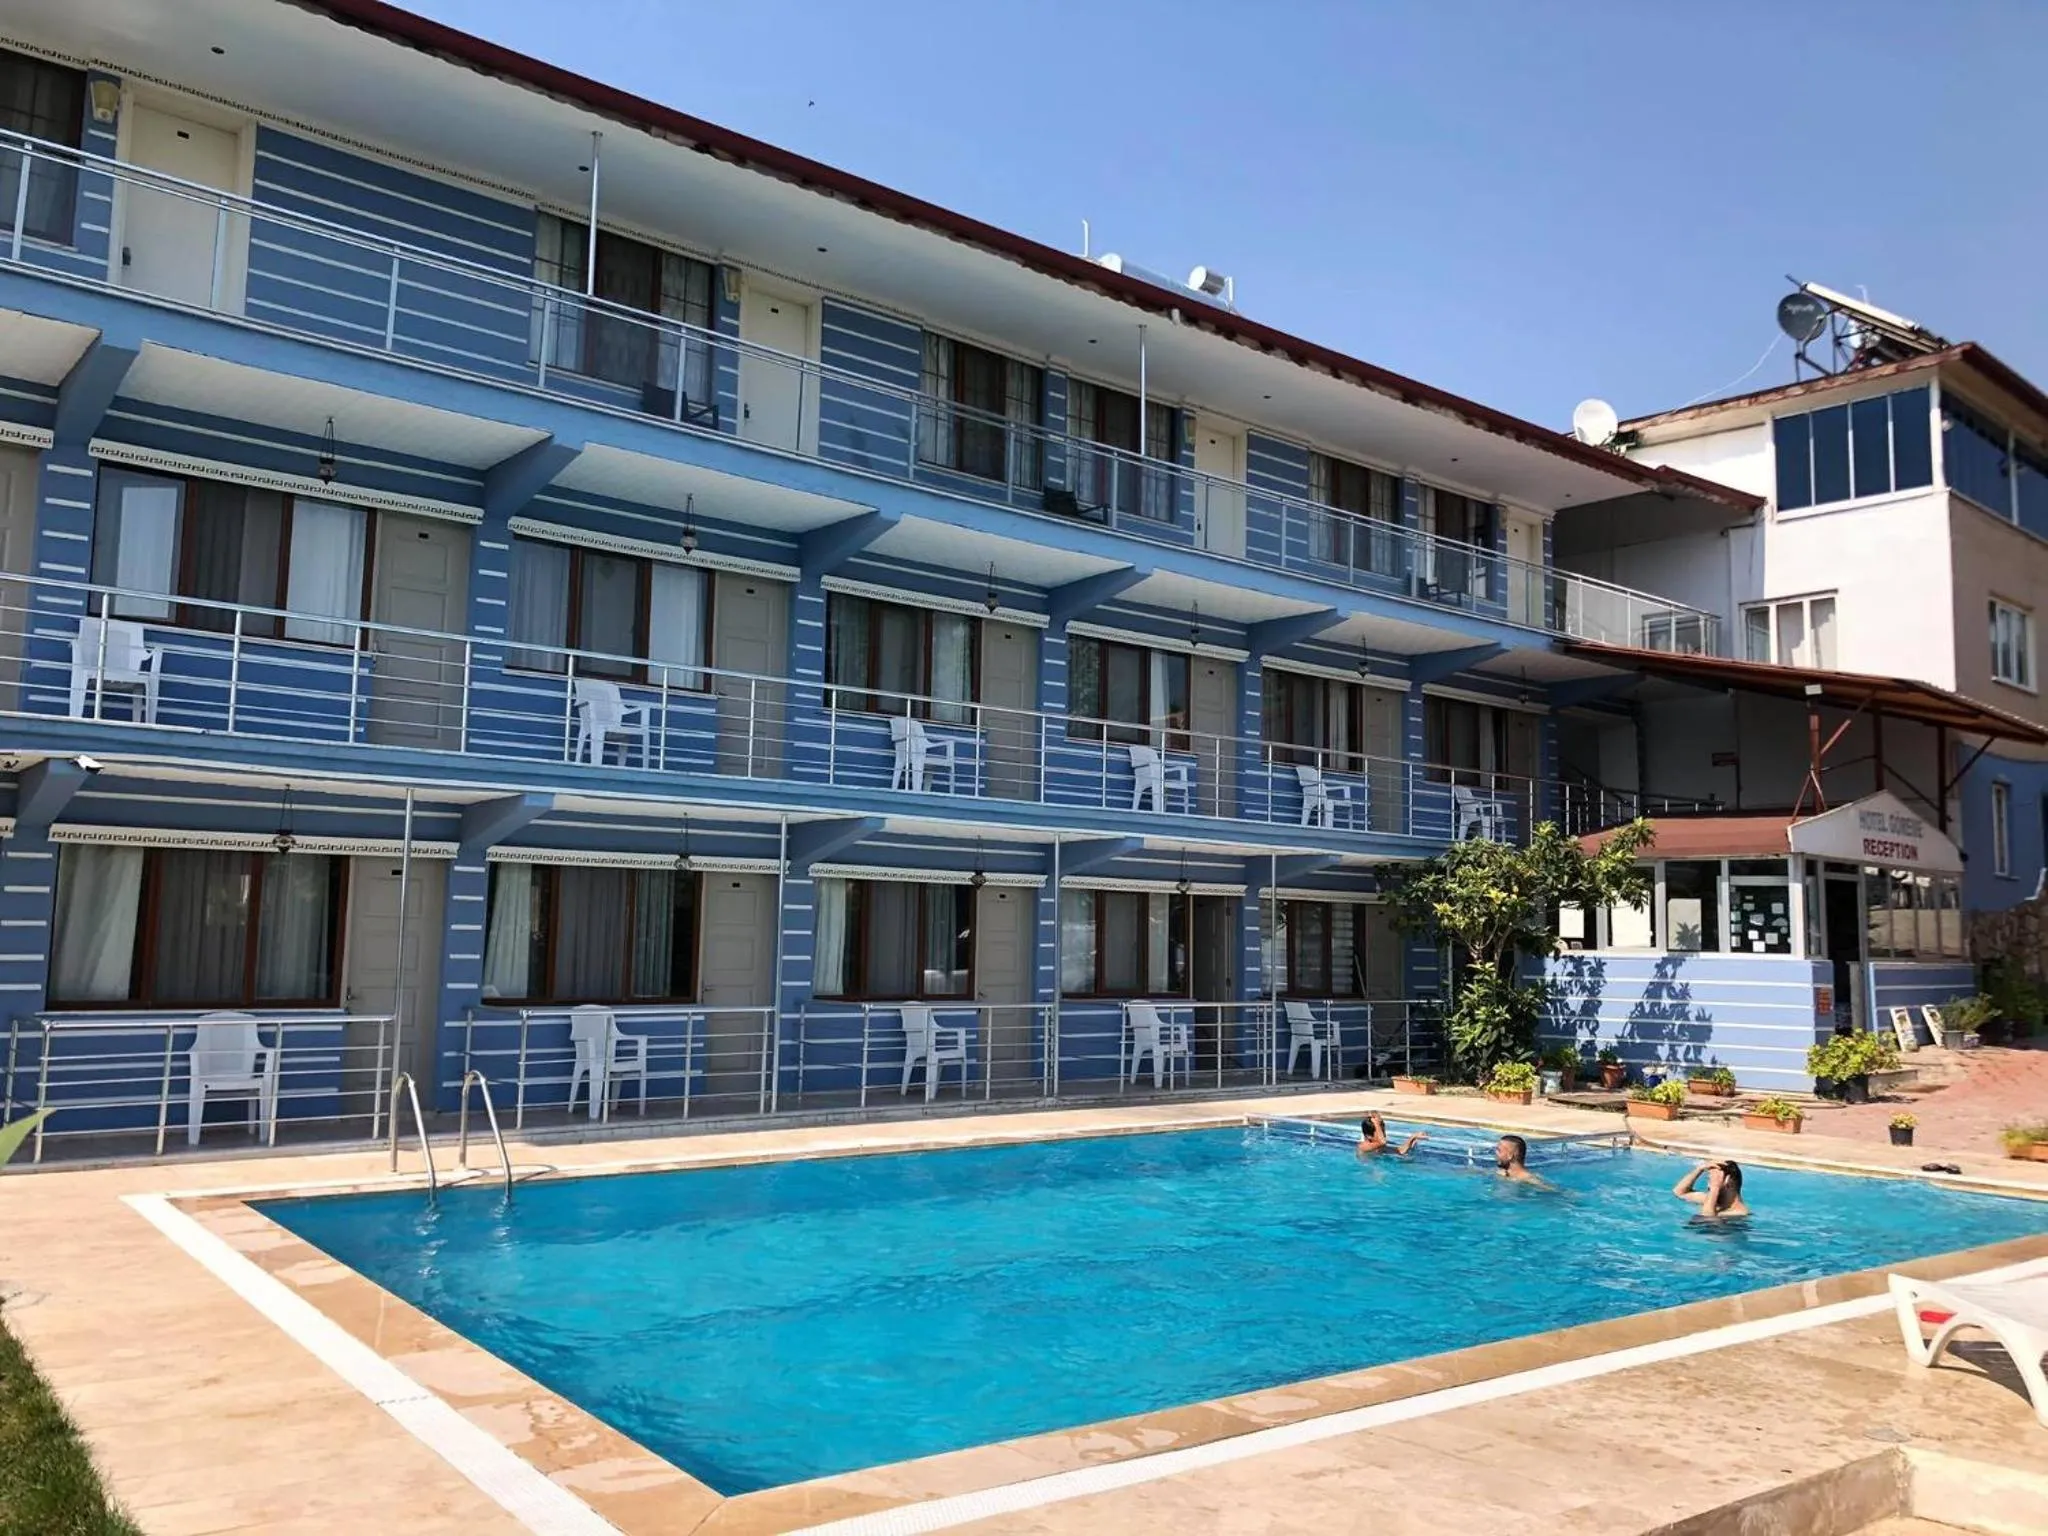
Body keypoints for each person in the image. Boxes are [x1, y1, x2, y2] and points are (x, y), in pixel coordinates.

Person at [1673, 1159, 1749, 1218]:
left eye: (1713, 1179)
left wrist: (1715, 1187)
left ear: (1727, 1180)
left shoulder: (1738, 1214)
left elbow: (1706, 1219)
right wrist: (1699, 1169)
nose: (1708, 1185)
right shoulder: (1713, 1201)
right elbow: (1679, 1192)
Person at [1356, 1112, 1427, 1159]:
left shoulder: (1381, 1148)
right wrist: (1376, 1123)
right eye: (1380, 1132)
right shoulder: (1363, 1146)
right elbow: (1383, 1142)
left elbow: (1400, 1151)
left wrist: (1413, 1138)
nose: (1383, 1135)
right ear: (1369, 1136)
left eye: (1383, 1131)